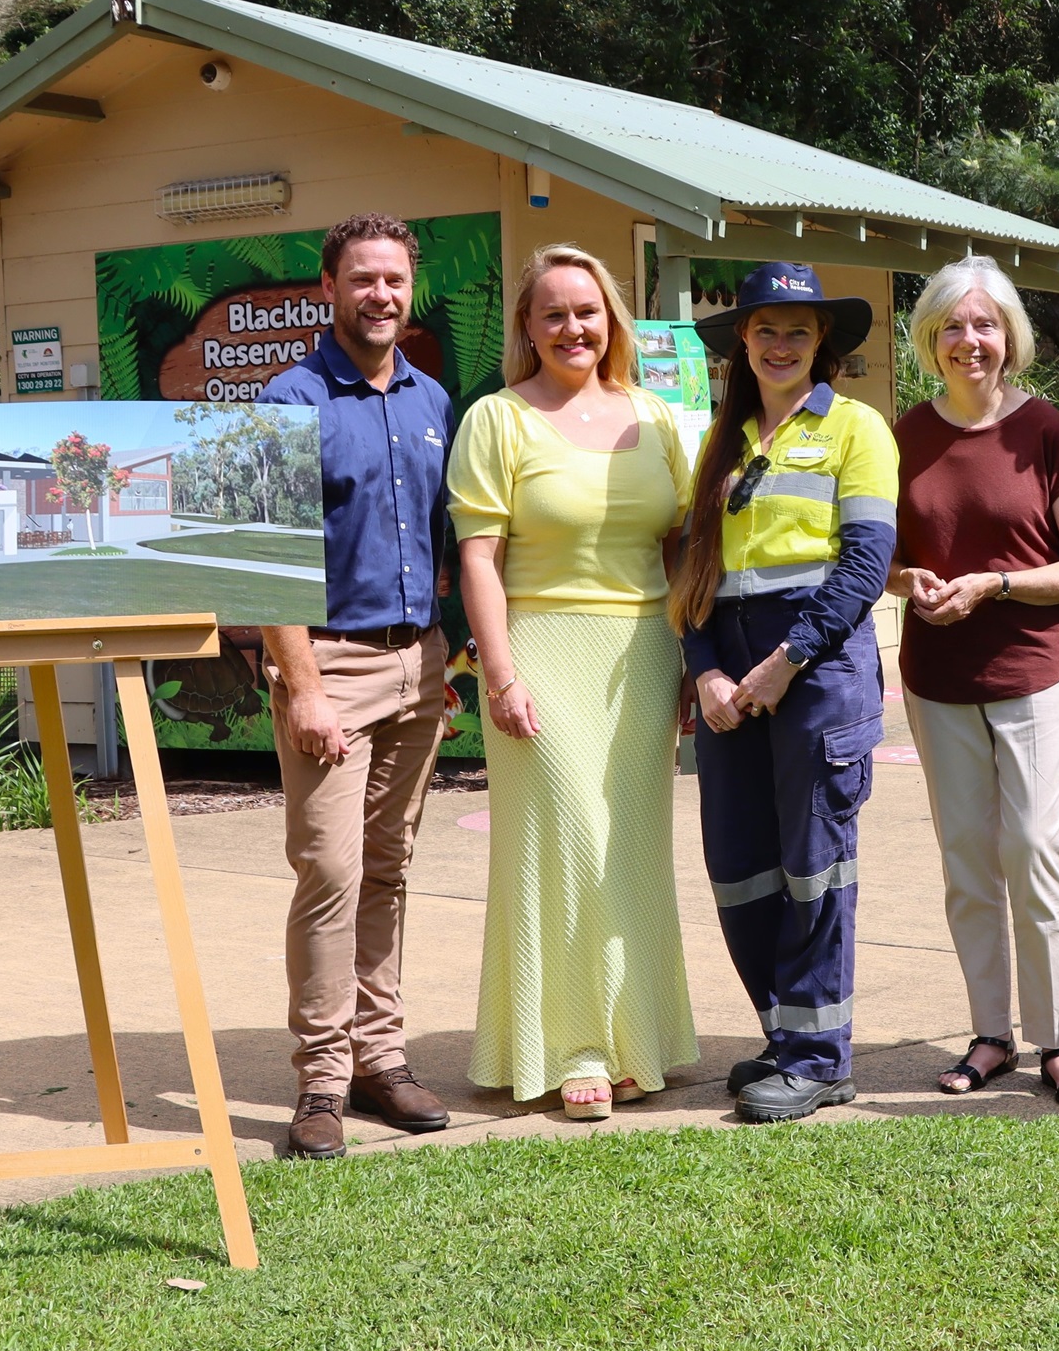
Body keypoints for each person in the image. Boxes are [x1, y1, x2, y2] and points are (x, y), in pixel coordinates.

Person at [448, 244, 696, 1119]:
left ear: (612, 321)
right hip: (537, 651)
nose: (572, 328)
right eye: (551, 314)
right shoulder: (497, 420)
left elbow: (679, 545)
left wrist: (692, 662)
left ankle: (641, 1039)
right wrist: (499, 671)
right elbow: (478, 557)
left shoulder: (658, 419)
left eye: (586, 311)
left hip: (641, 655)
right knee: (564, 844)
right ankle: (572, 1047)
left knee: (628, 846)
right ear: (527, 327)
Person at [672, 262, 898, 1124]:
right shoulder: (722, 442)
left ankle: (819, 1058)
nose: (778, 344)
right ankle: (785, 1030)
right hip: (729, 674)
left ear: (823, 344)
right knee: (740, 867)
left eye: (797, 331)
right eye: (764, 329)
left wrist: (783, 662)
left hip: (816, 672)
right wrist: (707, 670)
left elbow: (864, 566)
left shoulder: (857, 430)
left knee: (814, 868)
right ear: (740, 345)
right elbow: (695, 566)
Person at [258, 212, 458, 1160]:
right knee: (330, 874)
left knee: (389, 869)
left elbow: (445, 547)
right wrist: (302, 687)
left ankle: (383, 1061)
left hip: (418, 662)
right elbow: (265, 559)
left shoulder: (433, 399)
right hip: (328, 664)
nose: (381, 295)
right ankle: (322, 1082)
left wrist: (444, 665)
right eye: (363, 279)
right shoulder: (288, 398)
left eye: (395, 280)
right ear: (328, 290)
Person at [887, 257, 1059, 1113]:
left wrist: (992, 585)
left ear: (1008, 335)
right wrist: (915, 586)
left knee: (1032, 847)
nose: (969, 340)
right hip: (937, 677)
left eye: (984, 325)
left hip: (1036, 670)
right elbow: (881, 558)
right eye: (951, 325)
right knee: (968, 860)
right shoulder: (903, 436)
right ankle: (990, 1035)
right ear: (929, 340)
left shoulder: (1046, 431)